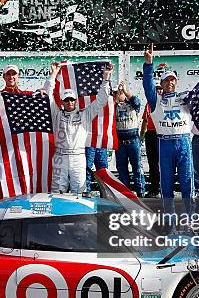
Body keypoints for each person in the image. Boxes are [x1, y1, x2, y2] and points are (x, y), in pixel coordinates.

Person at [142, 44, 195, 220]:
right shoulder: (155, 100)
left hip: (184, 143)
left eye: (172, 80)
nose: (170, 83)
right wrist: (148, 64)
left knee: (188, 183)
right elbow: (147, 85)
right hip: (164, 144)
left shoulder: (186, 98)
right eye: (166, 80)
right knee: (166, 185)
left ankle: (190, 221)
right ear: (162, 84)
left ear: (176, 82)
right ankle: (169, 222)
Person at [43, 61, 112, 194]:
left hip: (78, 157)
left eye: (72, 99)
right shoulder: (56, 113)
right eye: (67, 100)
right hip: (59, 157)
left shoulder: (85, 114)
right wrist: (53, 74)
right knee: (57, 192)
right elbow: (48, 94)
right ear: (62, 101)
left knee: (79, 191)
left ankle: (80, 215)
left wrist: (106, 78)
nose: (70, 102)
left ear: (75, 100)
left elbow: (101, 100)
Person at [114, 81, 144, 197]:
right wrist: (115, 99)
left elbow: (137, 102)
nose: (118, 94)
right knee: (121, 167)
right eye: (115, 92)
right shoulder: (113, 106)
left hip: (133, 140)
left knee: (137, 166)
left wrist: (126, 91)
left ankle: (140, 192)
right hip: (120, 142)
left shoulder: (132, 104)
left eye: (119, 92)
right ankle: (125, 193)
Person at [141, 88, 161, 197]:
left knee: (164, 164)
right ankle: (154, 189)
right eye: (156, 90)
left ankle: (165, 189)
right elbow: (145, 120)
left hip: (163, 134)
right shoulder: (149, 104)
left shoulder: (166, 103)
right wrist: (141, 135)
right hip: (151, 134)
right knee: (152, 163)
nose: (159, 92)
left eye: (160, 89)